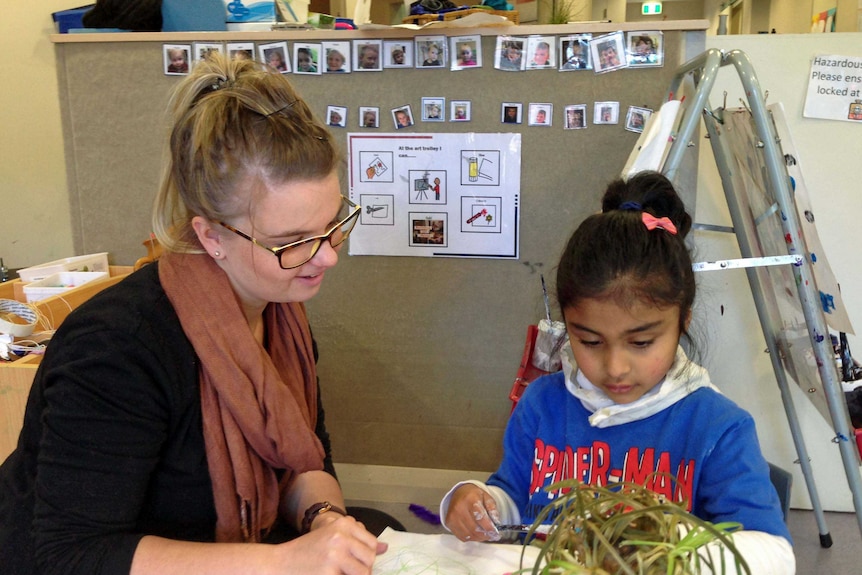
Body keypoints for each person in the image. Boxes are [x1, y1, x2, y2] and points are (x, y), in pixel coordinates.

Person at [0, 53, 388, 575]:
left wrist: (326, 524)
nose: (328, 256)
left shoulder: (281, 314)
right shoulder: (117, 347)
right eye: (291, 241)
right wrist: (283, 562)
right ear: (210, 236)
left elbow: (305, 458)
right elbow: (70, 554)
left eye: (333, 223)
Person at [440, 172, 796, 574]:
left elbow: (773, 555)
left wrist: (651, 542)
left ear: (683, 321)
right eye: (590, 341)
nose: (615, 367)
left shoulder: (717, 428)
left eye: (641, 343)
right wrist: (478, 502)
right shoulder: (542, 406)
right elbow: (512, 503)